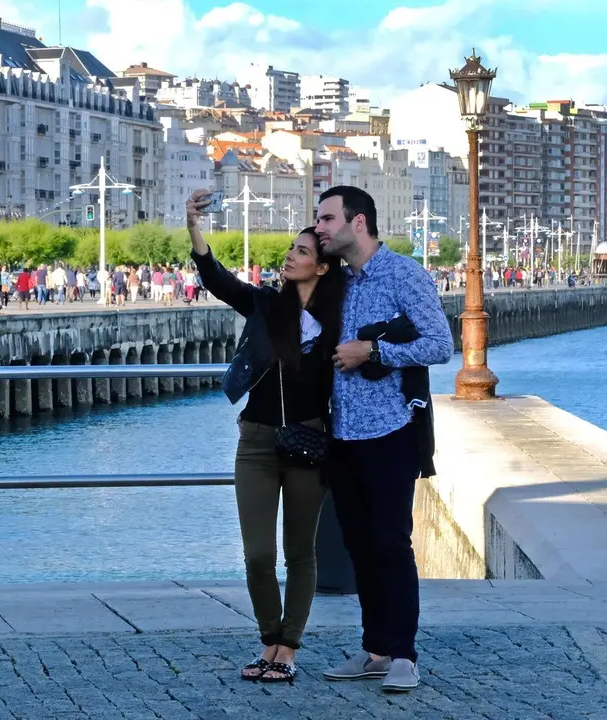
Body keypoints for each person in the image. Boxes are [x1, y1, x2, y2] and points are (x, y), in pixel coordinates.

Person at [186, 189, 345, 684]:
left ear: (321, 268)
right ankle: (268, 638)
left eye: (302, 251)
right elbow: (215, 278)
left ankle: (287, 649)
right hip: (255, 442)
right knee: (258, 553)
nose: (291, 255)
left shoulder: (337, 322)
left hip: (309, 442)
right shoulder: (263, 304)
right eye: (292, 248)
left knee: (301, 551)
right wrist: (195, 226)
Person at [314, 186, 453, 693]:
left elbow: (440, 344)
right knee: (359, 545)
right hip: (343, 434)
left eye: (328, 219)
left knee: (392, 543)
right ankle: (375, 649)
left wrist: (371, 352)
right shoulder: (336, 282)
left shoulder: (404, 274)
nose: (320, 228)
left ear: (359, 222)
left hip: (390, 430)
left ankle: (404, 654)